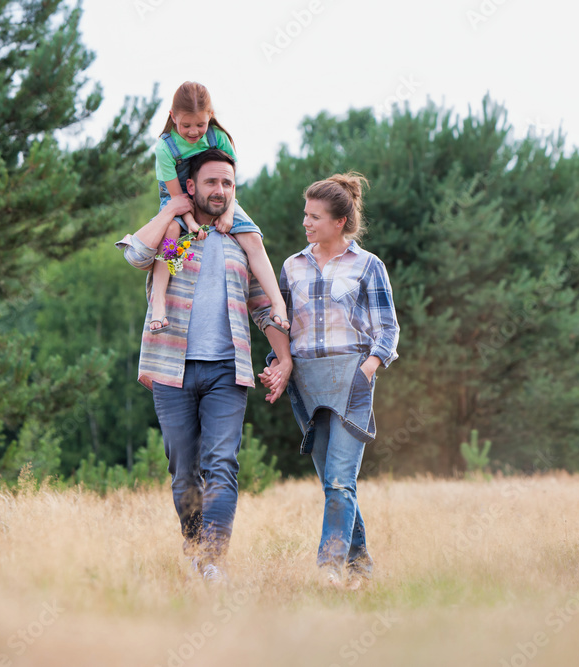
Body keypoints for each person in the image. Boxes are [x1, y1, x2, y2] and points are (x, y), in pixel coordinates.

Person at [116, 149, 292, 583]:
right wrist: (174, 207)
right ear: (191, 186)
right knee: (183, 470)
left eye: (228, 184)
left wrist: (284, 357)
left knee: (222, 463)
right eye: (212, 182)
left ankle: (214, 559)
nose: (220, 191)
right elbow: (137, 254)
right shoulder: (178, 234)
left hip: (226, 372)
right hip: (171, 368)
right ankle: (194, 548)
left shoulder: (239, 240)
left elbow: (262, 306)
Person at [260, 173, 400, 590]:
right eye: (305, 215)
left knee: (339, 478)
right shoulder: (291, 266)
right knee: (333, 482)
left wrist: (368, 369)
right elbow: (280, 323)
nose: (306, 223)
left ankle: (330, 568)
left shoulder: (367, 265)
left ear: (340, 221)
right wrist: (277, 363)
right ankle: (362, 568)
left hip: (353, 378)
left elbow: (388, 329)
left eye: (315, 217)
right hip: (308, 381)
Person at [149, 81, 288, 334]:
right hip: (180, 195)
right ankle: (158, 300)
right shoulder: (165, 148)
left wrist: (228, 212)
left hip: (220, 194)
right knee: (169, 233)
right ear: (173, 117)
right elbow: (176, 196)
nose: (194, 132)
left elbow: (230, 181)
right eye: (186, 125)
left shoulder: (218, 137)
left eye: (200, 125)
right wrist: (190, 223)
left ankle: (277, 302)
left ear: (210, 116)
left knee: (253, 238)